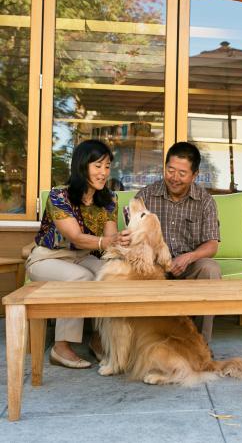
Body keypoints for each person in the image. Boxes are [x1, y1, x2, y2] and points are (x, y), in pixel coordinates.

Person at [26, 139, 127, 368]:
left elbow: (109, 242)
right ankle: (60, 348)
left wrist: (124, 241)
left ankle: (99, 339)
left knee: (111, 275)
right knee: (81, 278)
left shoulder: (109, 199)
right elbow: (75, 237)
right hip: (47, 257)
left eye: (107, 166)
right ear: (82, 166)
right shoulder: (59, 196)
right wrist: (109, 240)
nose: (103, 173)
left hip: (82, 257)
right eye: (97, 166)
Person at [130, 141, 221, 341]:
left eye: (182, 173)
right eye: (170, 170)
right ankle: (140, 341)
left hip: (187, 265)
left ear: (194, 175)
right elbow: (133, 238)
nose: (174, 178)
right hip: (153, 266)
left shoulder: (205, 201)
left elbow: (212, 244)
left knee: (210, 269)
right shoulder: (145, 196)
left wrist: (190, 257)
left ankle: (199, 343)